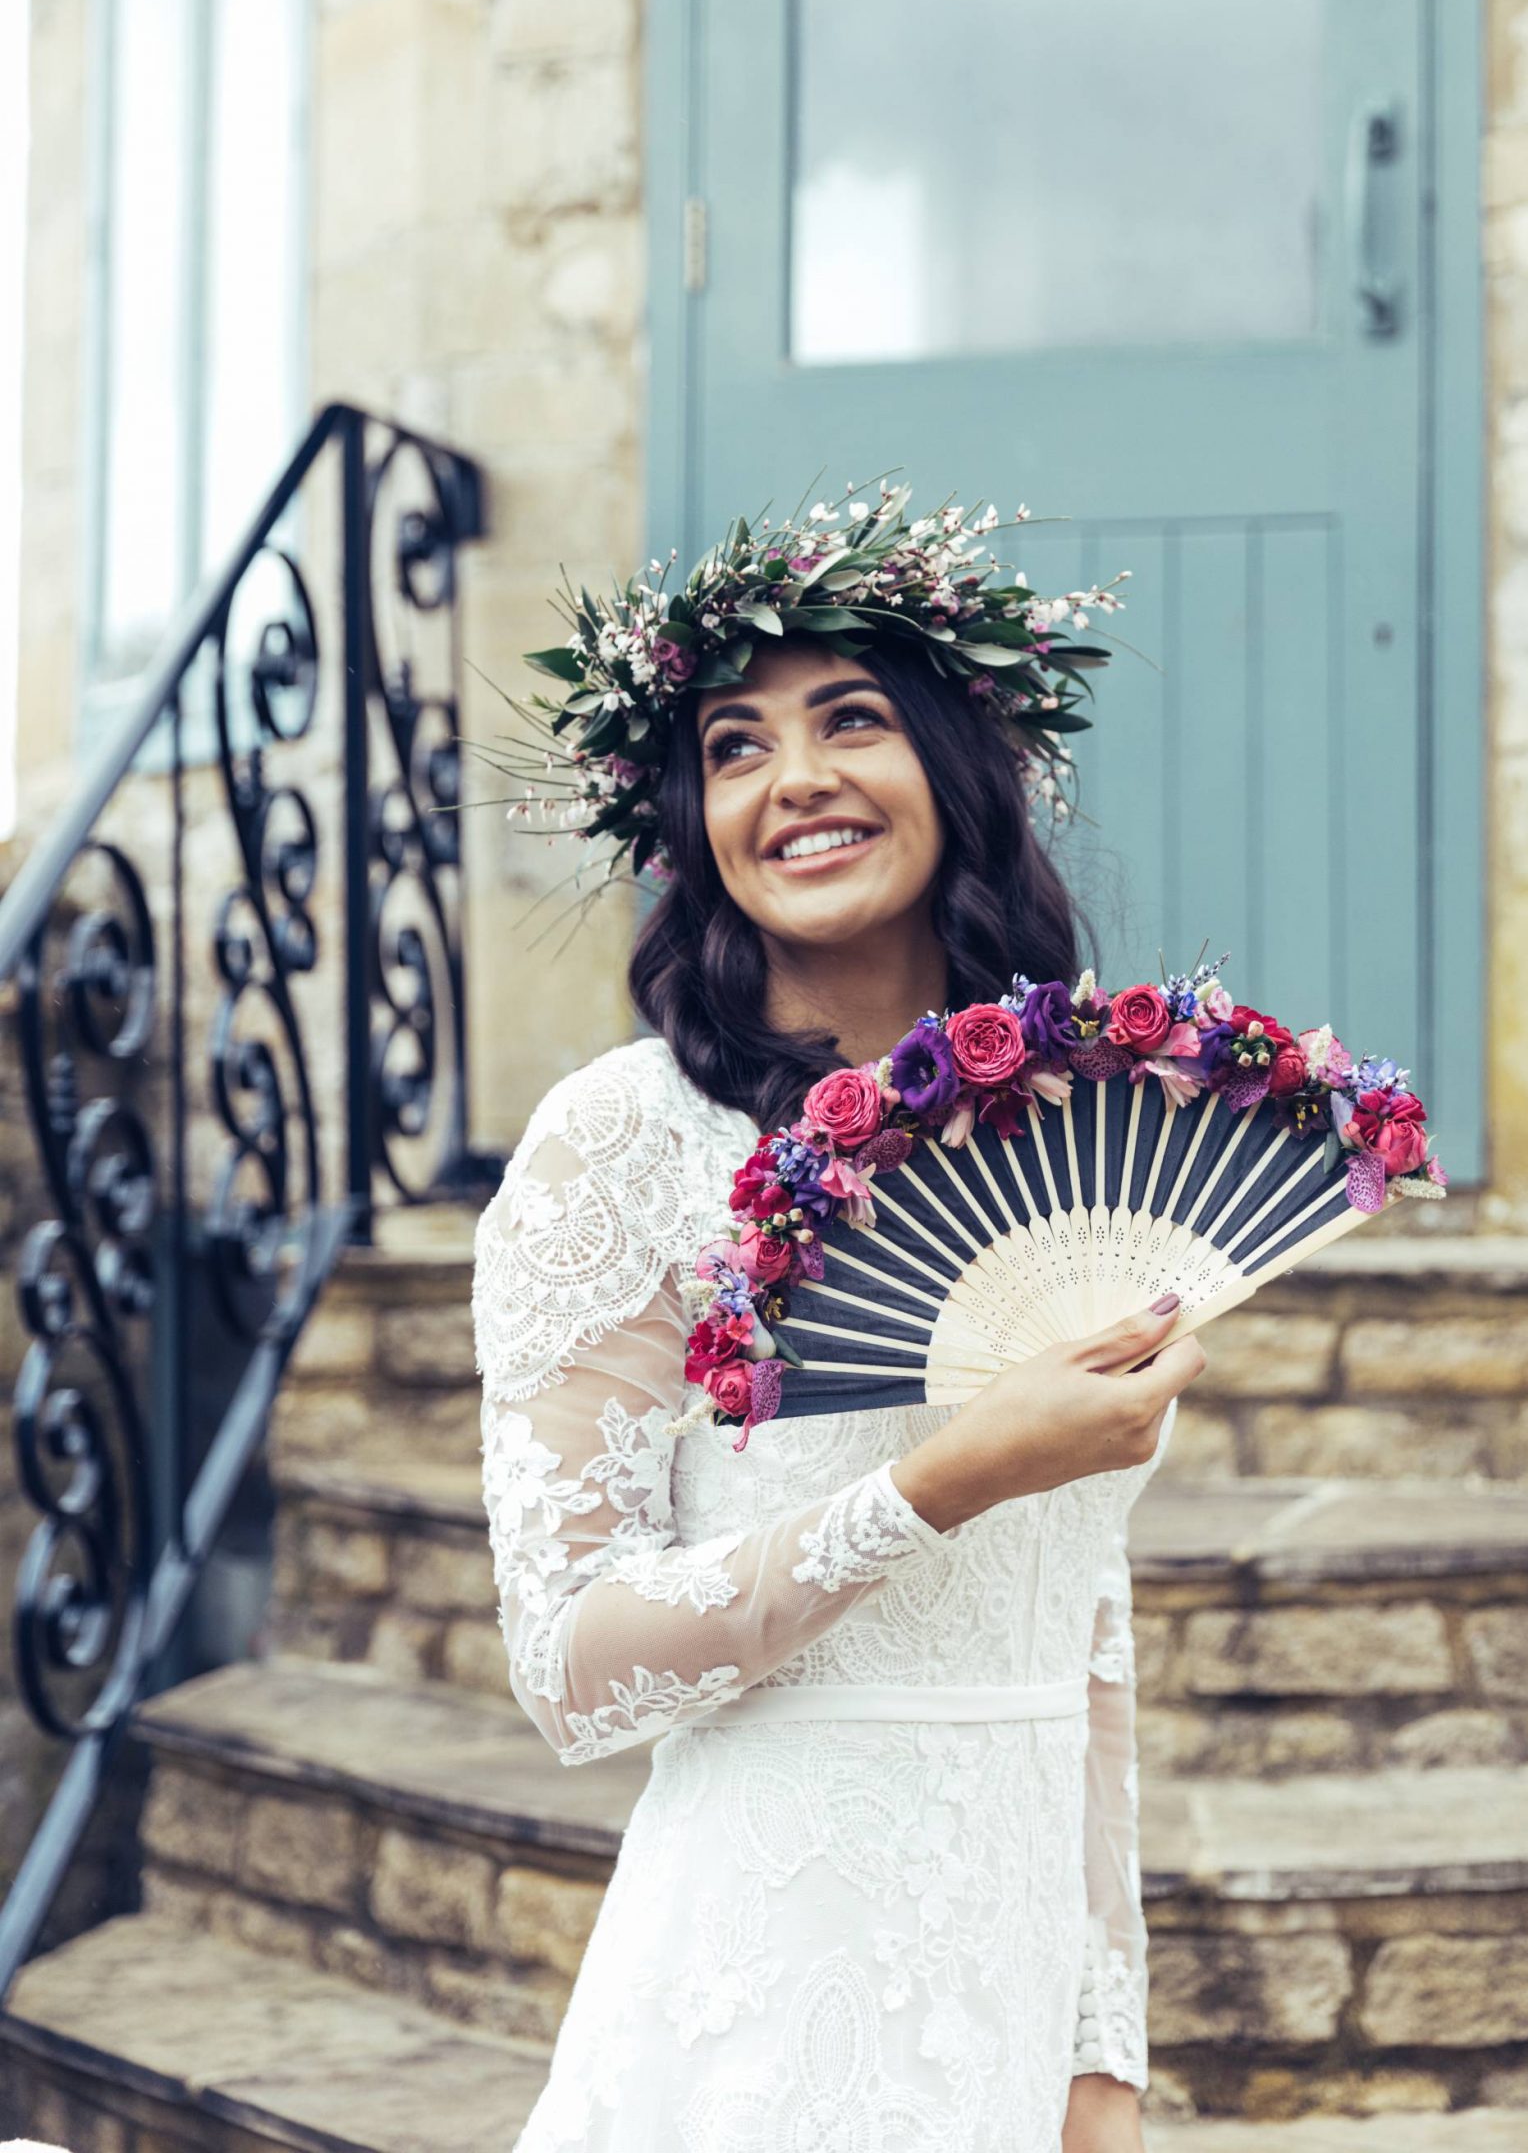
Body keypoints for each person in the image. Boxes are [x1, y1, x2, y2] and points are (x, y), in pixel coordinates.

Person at [470, 490, 1206, 2153]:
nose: (791, 777)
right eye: (735, 745)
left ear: (959, 767)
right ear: (694, 820)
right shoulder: (625, 1143)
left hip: (1012, 1990)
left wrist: (1104, 2050)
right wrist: (935, 1486)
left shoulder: (1083, 1147)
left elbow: (1083, 1629)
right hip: (761, 1985)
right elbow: (569, 1673)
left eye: (850, 720)